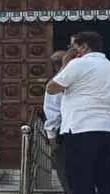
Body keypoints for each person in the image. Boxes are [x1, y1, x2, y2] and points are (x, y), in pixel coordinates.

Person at [46, 31, 110, 194]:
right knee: (107, 181)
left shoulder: (77, 64)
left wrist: (65, 64)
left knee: (80, 182)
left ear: (83, 47)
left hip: (80, 130)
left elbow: (52, 88)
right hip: (109, 130)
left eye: (72, 46)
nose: (70, 50)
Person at [43, 50, 71, 193]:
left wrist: (51, 137)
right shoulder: (56, 84)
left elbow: (52, 113)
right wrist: (53, 138)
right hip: (65, 134)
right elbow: (54, 112)